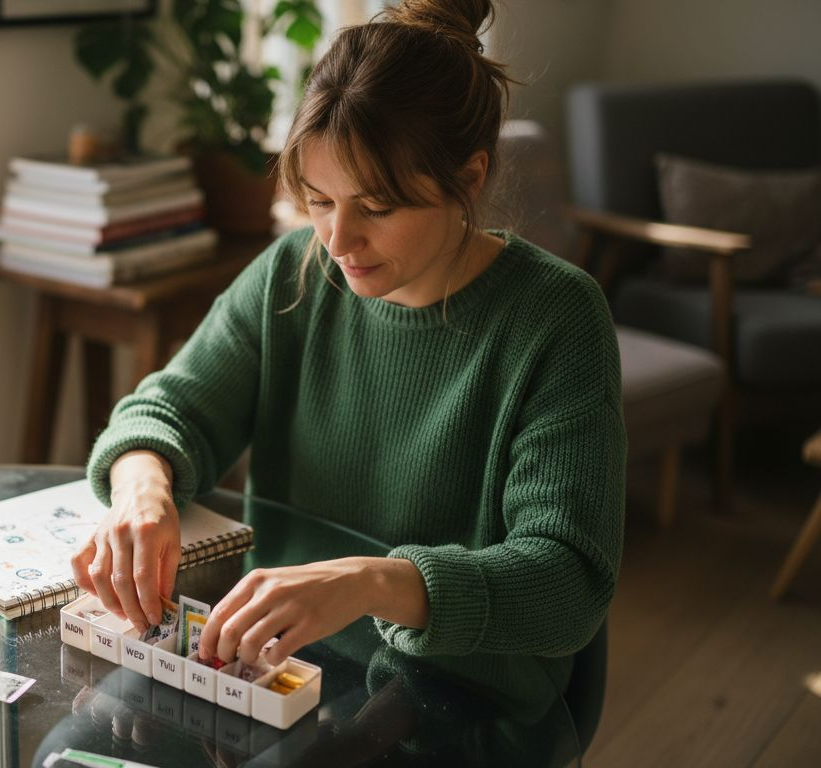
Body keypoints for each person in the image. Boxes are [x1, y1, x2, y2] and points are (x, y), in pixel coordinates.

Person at [70, 0, 624, 718]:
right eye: (319, 199)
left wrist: (369, 583)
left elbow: (567, 583)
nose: (338, 240)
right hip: (282, 675)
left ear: (471, 176)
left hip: (464, 706)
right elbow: (165, 408)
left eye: (378, 207)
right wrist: (143, 490)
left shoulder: (557, 319)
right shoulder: (291, 272)